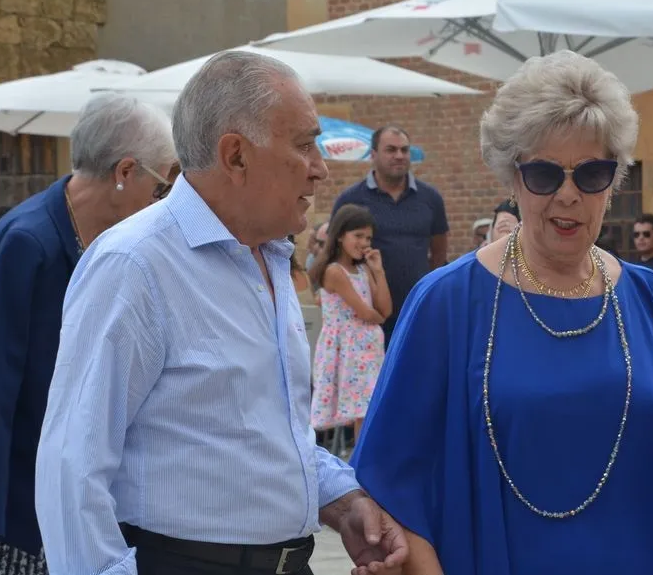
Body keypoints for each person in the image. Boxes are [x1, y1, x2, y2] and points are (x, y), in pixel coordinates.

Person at [350, 50, 653, 575]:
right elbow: (390, 478)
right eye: (545, 174)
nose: (569, 195)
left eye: (592, 173)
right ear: (512, 178)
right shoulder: (447, 301)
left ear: (614, 181)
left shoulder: (647, 296)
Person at [34, 50, 407, 575]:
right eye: (304, 145)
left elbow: (267, 435)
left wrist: (344, 502)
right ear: (235, 155)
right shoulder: (135, 263)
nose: (321, 169)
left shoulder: (270, 255)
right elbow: (72, 465)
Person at [0, 93, 177, 575]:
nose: (162, 201)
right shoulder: (26, 241)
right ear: (125, 172)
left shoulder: (96, 237)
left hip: (47, 482)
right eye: (160, 186)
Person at [332, 125, 449, 348]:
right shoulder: (350, 200)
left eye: (404, 150)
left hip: (417, 309)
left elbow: (439, 251)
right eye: (391, 150)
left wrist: (425, 287)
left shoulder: (431, 198)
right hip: (367, 314)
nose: (399, 156)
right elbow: (334, 254)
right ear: (373, 154)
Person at [308, 204, 391, 445]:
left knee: (368, 408)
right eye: (358, 236)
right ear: (340, 235)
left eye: (368, 238)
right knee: (362, 410)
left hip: (367, 350)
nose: (364, 242)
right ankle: (360, 461)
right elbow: (365, 312)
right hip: (348, 349)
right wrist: (377, 317)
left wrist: (378, 271)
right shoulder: (334, 271)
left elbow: (385, 309)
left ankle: (365, 458)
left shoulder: (363, 270)